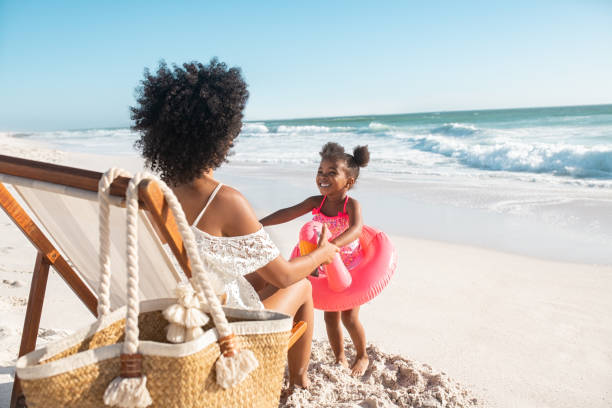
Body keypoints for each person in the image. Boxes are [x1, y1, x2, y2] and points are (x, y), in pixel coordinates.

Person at [131, 59, 338, 389]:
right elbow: (283, 274)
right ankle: (299, 380)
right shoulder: (224, 200)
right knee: (301, 286)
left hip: (168, 318)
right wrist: (322, 254)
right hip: (218, 334)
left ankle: (298, 377)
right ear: (220, 136)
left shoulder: (154, 194)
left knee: (256, 276)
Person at [260, 142, 371, 376]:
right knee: (331, 317)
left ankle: (362, 355)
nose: (323, 176)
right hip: (324, 264)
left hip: (348, 265)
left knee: (349, 318)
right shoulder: (315, 202)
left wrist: (329, 246)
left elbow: (356, 229)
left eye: (332, 173)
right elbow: (288, 212)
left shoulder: (351, 204)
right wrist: (259, 223)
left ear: (349, 182)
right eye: (320, 171)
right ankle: (340, 358)